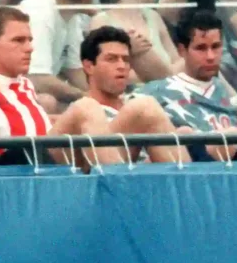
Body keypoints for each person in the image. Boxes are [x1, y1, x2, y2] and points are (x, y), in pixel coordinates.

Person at [0, 6, 184, 168]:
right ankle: (121, 192)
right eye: (19, 41)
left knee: (146, 108)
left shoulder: (23, 84)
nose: (30, 48)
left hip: (47, 159)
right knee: (85, 107)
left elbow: (35, 124)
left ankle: (194, 200)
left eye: (29, 40)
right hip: (15, 169)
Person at [136, 10, 237, 163]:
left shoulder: (226, 92)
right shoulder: (156, 93)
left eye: (215, 47)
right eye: (201, 48)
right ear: (182, 50)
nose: (210, 56)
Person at [79, 25, 186, 163]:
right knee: (144, 108)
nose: (122, 66)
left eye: (126, 60)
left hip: (155, 176)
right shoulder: (82, 112)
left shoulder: (139, 98)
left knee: (185, 131)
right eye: (111, 59)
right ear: (89, 67)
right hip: (110, 175)